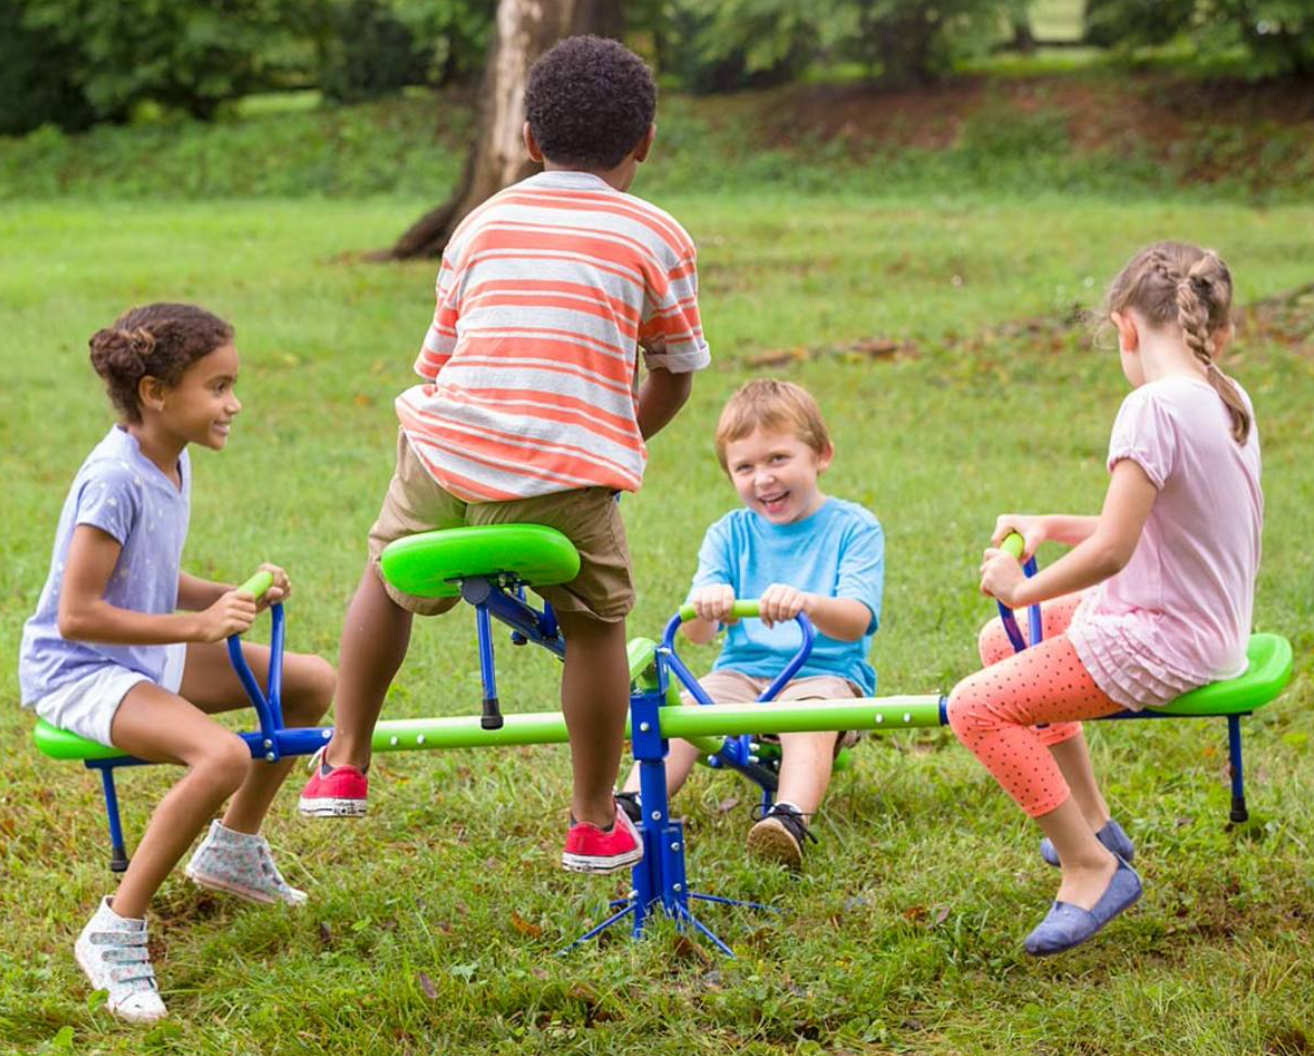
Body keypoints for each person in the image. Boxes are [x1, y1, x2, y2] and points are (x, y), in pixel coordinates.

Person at [298, 35, 709, 876]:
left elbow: (438, 367)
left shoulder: (480, 223)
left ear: (527, 139)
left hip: (441, 452)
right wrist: (613, 441)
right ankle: (593, 818)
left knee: (384, 573)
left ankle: (345, 759)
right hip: (565, 476)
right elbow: (673, 376)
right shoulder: (658, 234)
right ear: (645, 141)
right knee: (596, 626)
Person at [19, 303, 337, 1022]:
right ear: (156, 393)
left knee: (310, 682)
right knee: (221, 756)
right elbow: (78, 614)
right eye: (218, 387)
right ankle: (116, 927)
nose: (234, 403)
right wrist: (195, 626)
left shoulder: (171, 458)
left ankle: (232, 852)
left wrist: (223, 593)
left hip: (139, 653)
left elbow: (149, 574)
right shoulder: (113, 480)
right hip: (81, 669)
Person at [947, 241, 1262, 956]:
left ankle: (1092, 868)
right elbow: (1154, 526)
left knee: (976, 706)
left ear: (1125, 327)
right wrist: (1049, 525)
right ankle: (1093, 823)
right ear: (1215, 329)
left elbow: (1115, 550)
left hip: (1162, 639)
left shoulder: (1149, 407)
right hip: (1198, 625)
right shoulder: (1227, 396)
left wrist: (1022, 587)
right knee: (1001, 643)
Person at [619, 379, 884, 869]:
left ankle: (788, 818)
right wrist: (707, 607)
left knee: (808, 717)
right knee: (686, 713)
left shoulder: (854, 528)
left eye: (778, 458)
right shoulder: (728, 534)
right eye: (745, 467)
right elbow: (696, 635)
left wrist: (807, 603)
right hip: (740, 673)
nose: (764, 479)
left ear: (821, 455)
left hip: (823, 674)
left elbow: (856, 621)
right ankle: (632, 805)